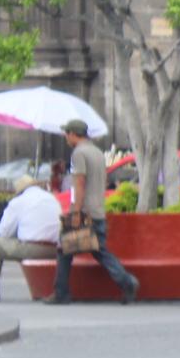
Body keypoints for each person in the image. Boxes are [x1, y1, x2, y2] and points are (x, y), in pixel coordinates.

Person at [46, 120, 139, 305]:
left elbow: (79, 184)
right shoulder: (97, 152)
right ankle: (126, 282)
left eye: (67, 134)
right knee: (97, 251)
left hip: (84, 211)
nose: (66, 138)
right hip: (98, 209)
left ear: (73, 134)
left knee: (65, 249)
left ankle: (62, 292)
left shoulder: (78, 154)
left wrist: (75, 211)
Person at [0, 175, 60, 301]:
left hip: (33, 249)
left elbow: (4, 232)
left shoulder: (18, 202)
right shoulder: (51, 198)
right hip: (55, 249)